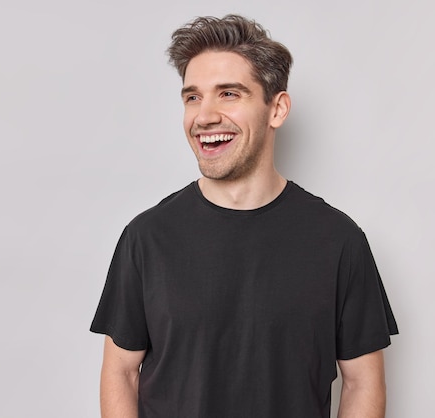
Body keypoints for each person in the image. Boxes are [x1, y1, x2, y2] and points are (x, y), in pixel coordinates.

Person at [90, 14, 398, 418]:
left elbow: (362, 383)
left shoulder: (340, 241)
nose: (204, 116)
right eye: (192, 97)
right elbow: (122, 373)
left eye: (229, 94)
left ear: (277, 108)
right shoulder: (146, 237)